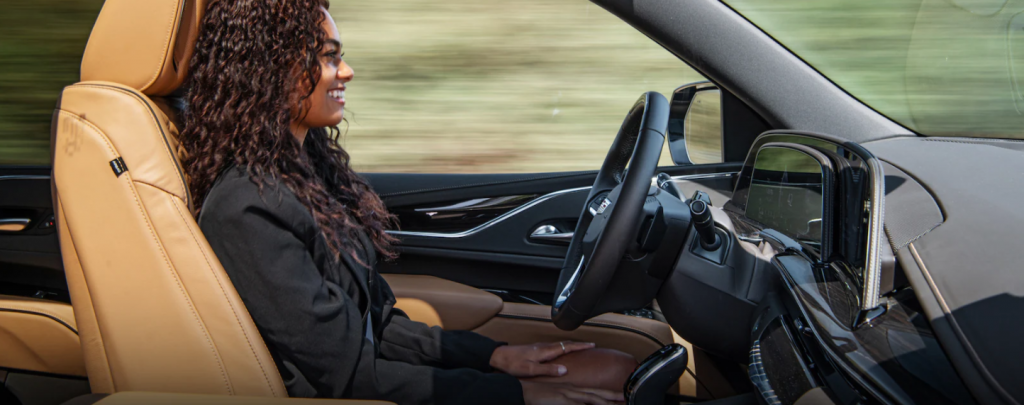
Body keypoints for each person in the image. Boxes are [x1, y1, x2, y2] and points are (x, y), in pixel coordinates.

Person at [179, 0, 636, 404]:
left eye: (342, 55)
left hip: (375, 377)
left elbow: (377, 324)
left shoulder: (306, 175)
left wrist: (498, 357)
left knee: (619, 370)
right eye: (328, 57)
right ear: (271, 67)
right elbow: (348, 373)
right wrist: (514, 394)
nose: (347, 70)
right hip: (350, 394)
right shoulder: (246, 208)